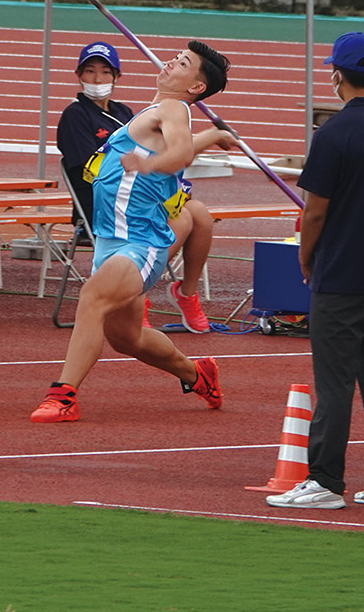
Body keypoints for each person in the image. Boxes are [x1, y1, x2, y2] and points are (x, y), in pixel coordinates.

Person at [31, 40, 239, 423]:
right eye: (175, 57)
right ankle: (198, 374)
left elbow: (178, 154)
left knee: (92, 297)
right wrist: (211, 137)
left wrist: (149, 164)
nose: (170, 63)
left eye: (183, 63)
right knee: (128, 339)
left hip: (139, 244)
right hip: (110, 241)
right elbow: (179, 144)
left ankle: (63, 397)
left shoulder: (174, 108)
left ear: (195, 86)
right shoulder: (156, 111)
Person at [265, 31, 364, 509]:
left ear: (337, 75)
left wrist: (306, 255)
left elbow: (314, 211)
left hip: (340, 273)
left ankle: (325, 480)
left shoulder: (331, 135)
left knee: (333, 381)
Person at [56, 41, 219, 333]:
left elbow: (164, 151)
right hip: (105, 205)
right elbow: (92, 169)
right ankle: (136, 288)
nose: (97, 79)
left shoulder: (126, 112)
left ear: (116, 76)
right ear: (79, 74)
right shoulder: (76, 115)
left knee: (201, 214)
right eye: (90, 71)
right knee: (181, 219)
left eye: (105, 72)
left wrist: (213, 136)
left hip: (140, 195)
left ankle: (186, 294)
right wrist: (147, 167)